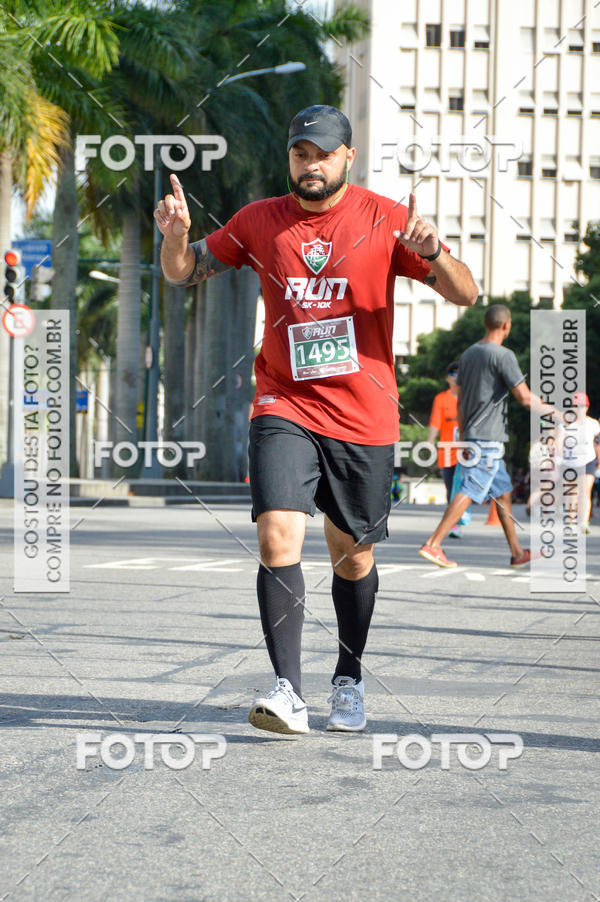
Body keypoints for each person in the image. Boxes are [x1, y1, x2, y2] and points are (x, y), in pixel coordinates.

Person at [156, 104, 478, 734]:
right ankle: (288, 690)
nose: (311, 164)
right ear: (291, 158)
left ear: (347, 157)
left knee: (351, 557)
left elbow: (466, 293)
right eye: (301, 153)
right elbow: (185, 271)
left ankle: (348, 680)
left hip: (363, 415)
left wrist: (433, 250)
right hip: (284, 403)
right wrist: (173, 238)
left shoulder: (387, 219)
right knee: (278, 532)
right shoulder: (259, 221)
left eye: (324, 154)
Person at [418, 304, 558, 569]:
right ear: (506, 326)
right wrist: (558, 414)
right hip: (487, 438)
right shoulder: (503, 355)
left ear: (485, 324)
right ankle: (433, 544)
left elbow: (458, 398)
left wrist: (464, 433)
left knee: (503, 493)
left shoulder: (469, 354)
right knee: (470, 488)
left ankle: (517, 552)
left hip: (473, 434)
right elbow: (525, 397)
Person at [427, 361, 469, 537]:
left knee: (464, 487)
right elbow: (435, 422)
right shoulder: (441, 399)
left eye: (459, 375)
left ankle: (459, 517)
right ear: (447, 378)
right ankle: (454, 522)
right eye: (453, 375)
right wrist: (429, 443)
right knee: (450, 486)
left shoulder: (468, 397)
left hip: (466, 451)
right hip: (446, 451)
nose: (456, 378)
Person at [562, 392, 600, 533]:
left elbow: (597, 444)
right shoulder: (567, 423)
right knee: (572, 493)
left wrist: (599, 460)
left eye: (582, 406)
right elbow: (559, 442)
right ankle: (571, 521)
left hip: (588, 460)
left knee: (585, 491)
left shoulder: (593, 424)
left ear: (587, 407)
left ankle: (584, 522)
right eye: (577, 406)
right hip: (570, 462)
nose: (580, 409)